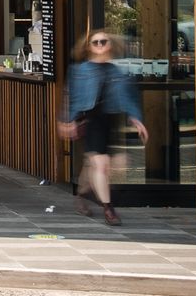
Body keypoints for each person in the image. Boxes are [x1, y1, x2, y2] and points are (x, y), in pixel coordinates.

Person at [59, 29, 148, 226]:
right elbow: (70, 97)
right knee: (101, 165)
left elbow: (128, 97)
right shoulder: (79, 70)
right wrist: (68, 120)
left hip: (111, 120)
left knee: (103, 165)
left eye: (103, 41)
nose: (99, 45)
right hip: (89, 121)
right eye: (95, 42)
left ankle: (81, 194)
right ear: (88, 46)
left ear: (110, 44)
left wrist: (136, 118)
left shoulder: (117, 71)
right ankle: (109, 209)